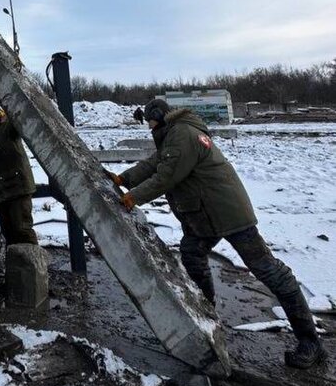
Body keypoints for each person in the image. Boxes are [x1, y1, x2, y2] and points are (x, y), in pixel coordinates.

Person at [111, 98, 325, 370]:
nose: (150, 128)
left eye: (152, 123)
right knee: (192, 253)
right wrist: (123, 178)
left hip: (226, 212)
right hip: (205, 213)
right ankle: (206, 313)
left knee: (268, 269)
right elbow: (154, 163)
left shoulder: (182, 135)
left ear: (162, 118)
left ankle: (310, 342)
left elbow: (166, 176)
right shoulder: (174, 134)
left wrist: (132, 197)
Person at [0, 103, 38, 246]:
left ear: (0, 117)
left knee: (22, 230)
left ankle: (33, 265)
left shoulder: (8, 130)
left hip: (18, 189)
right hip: (0, 193)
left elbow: (20, 117)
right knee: (8, 233)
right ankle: (16, 265)